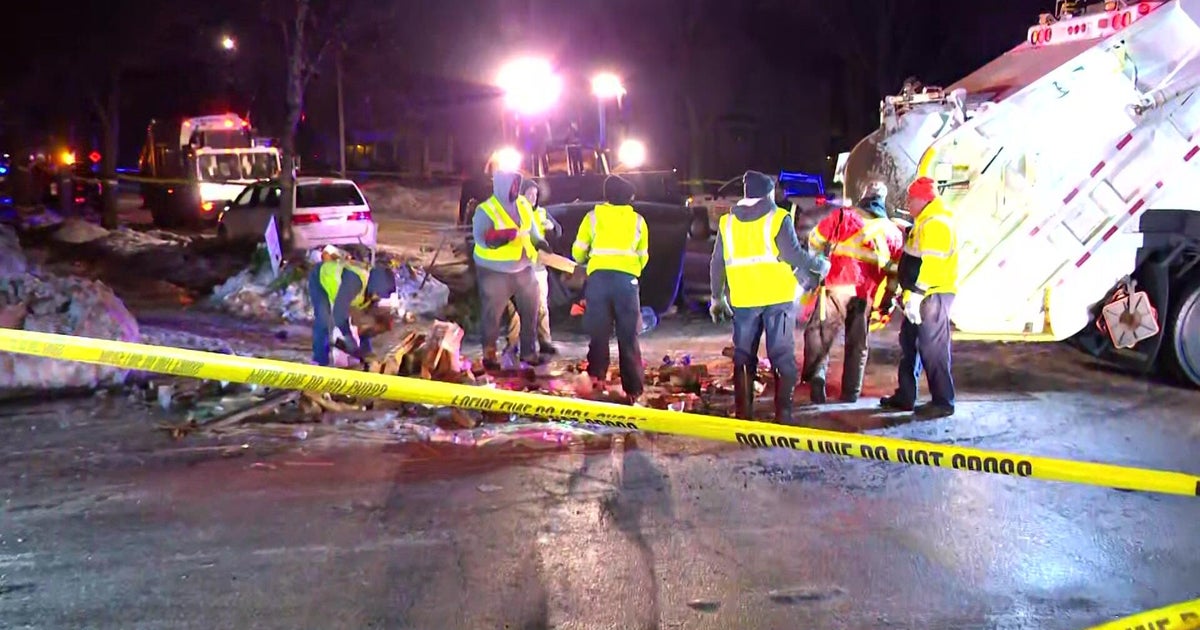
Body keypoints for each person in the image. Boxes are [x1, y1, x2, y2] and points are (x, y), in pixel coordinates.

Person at [709, 170, 831, 423]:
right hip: (778, 297)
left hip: (744, 298)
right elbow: (793, 255)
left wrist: (717, 297)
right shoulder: (778, 217)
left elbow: (717, 263)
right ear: (767, 193)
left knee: (743, 356)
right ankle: (783, 415)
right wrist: (819, 264)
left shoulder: (727, 222)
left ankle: (744, 414)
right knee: (781, 355)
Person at [802, 181, 903, 404]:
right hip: (864, 294)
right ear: (883, 201)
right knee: (857, 343)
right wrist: (886, 300)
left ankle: (817, 380)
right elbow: (894, 273)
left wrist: (818, 266)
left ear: (864, 196)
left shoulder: (843, 216)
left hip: (836, 285)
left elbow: (815, 240)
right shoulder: (893, 232)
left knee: (820, 334)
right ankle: (851, 393)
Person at [879, 176, 959, 419]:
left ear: (923, 200)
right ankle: (906, 396)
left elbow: (932, 265)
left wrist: (917, 295)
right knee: (910, 344)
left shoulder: (936, 223)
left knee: (932, 349)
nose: (908, 204)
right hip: (920, 294)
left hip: (932, 295)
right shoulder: (926, 221)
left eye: (910, 199)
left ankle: (943, 402)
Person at [572, 175, 649, 403]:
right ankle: (633, 390)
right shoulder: (638, 221)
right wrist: (629, 270)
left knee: (599, 333)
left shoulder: (592, 218)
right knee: (628, 336)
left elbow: (578, 252)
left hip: (599, 282)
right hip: (627, 283)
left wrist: (589, 259)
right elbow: (643, 256)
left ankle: (597, 380)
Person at [472, 170, 553, 369]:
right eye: (512, 185)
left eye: (517, 184)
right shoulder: (485, 210)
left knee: (531, 311)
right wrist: (502, 237)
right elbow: (481, 239)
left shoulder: (523, 205)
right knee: (492, 316)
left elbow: (532, 230)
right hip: (494, 272)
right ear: (501, 186)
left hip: (523, 268)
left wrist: (540, 242)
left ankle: (528, 353)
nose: (515, 189)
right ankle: (489, 356)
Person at [505, 179, 561, 355]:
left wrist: (552, 229)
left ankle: (545, 342)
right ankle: (512, 343)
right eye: (529, 194)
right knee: (517, 308)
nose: (533, 198)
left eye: (535, 194)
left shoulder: (542, 213)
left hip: (538, 267)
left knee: (542, 305)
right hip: (519, 268)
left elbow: (558, 231)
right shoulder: (513, 214)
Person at [308, 259, 397, 366]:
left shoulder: (371, 290)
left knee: (364, 319)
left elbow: (365, 318)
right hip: (320, 278)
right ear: (375, 286)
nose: (378, 298)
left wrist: (365, 349)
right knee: (324, 320)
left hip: (343, 290)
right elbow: (338, 314)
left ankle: (361, 351)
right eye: (378, 294)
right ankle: (320, 360)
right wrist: (347, 337)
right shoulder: (354, 281)